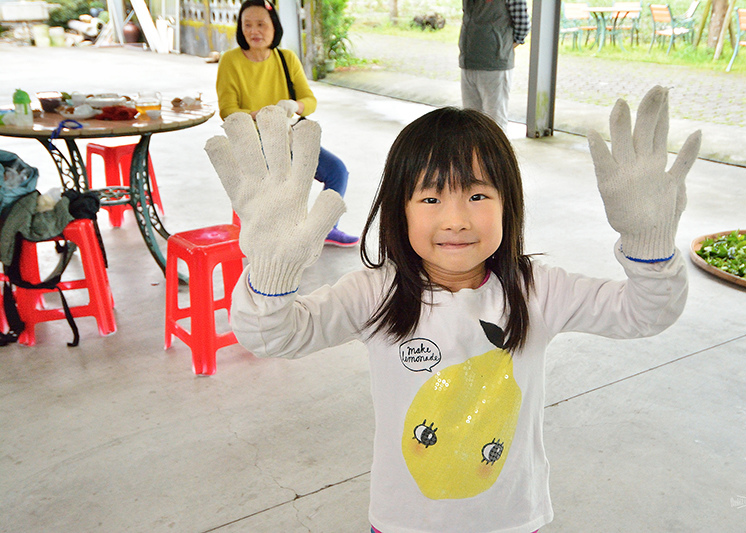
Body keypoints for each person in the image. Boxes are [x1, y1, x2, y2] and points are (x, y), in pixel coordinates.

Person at [205, 86, 701, 532]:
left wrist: (647, 243)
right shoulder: (373, 294)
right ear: (399, 208)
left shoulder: (538, 292)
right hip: (405, 520)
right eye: (431, 197)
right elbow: (274, 337)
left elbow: (644, 313)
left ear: (511, 204)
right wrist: (270, 273)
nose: (457, 219)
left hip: (510, 517)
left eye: (479, 194)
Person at [215, 0, 358, 247]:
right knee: (283, 189)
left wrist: (295, 106)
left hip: (288, 137)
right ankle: (276, 236)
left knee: (337, 171)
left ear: (274, 27)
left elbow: (309, 100)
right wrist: (263, 115)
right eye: (247, 25)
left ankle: (326, 228)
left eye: (261, 24)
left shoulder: (286, 58)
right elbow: (228, 111)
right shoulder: (230, 60)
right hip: (254, 144)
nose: (254, 31)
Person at [459, 0, 530, 131]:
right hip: (468, 61)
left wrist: (503, 46)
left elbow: (523, 25)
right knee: (469, 120)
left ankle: (497, 152)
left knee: (495, 121)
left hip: (495, 64)